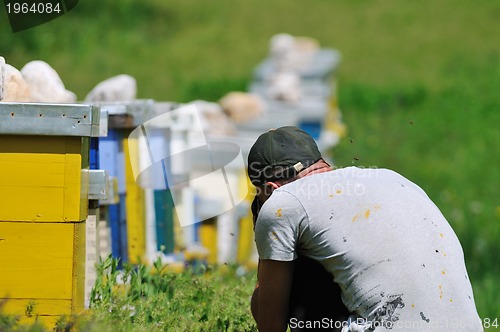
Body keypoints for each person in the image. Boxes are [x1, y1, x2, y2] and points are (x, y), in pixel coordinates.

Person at [247, 126, 482, 332]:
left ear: (269, 188)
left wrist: (266, 240)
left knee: (299, 270)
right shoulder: (391, 177)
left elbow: (270, 324)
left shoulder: (282, 202)